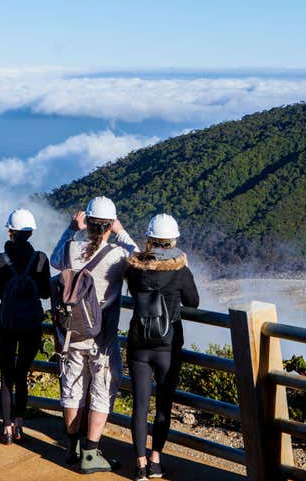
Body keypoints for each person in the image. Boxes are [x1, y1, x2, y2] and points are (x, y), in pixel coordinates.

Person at [51, 196, 138, 473]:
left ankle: (72, 447)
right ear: (109, 224)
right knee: (102, 391)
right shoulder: (116, 255)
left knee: (72, 389)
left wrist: (70, 228)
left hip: (70, 334)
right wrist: (120, 231)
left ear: (86, 221)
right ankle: (90, 454)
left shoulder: (69, 248)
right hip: (102, 339)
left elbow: (54, 260)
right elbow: (139, 259)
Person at [125, 214, 199, 481]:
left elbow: (135, 292)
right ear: (173, 240)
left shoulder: (134, 269)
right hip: (168, 345)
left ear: (150, 239)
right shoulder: (180, 271)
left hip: (138, 344)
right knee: (163, 406)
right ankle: (156, 460)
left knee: (140, 406)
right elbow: (193, 302)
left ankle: (140, 465)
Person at [0, 208, 51, 445]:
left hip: (6, 324)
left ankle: (5, 430)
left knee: (6, 376)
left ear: (10, 232)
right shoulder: (40, 259)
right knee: (22, 375)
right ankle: (19, 427)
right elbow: (45, 292)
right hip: (31, 325)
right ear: (31, 232)